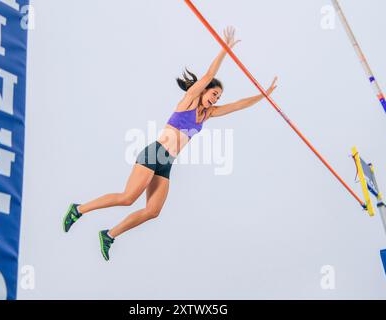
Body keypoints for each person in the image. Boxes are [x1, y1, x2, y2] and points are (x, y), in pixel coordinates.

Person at [62, 26, 278, 261]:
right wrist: (224, 50)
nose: (216, 99)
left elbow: (238, 104)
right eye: (214, 94)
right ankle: (79, 209)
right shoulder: (188, 101)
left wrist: (264, 95)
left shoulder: (208, 114)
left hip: (166, 162)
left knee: (153, 211)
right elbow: (207, 75)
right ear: (204, 91)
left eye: (218, 97)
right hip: (155, 153)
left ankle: (109, 235)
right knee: (127, 198)